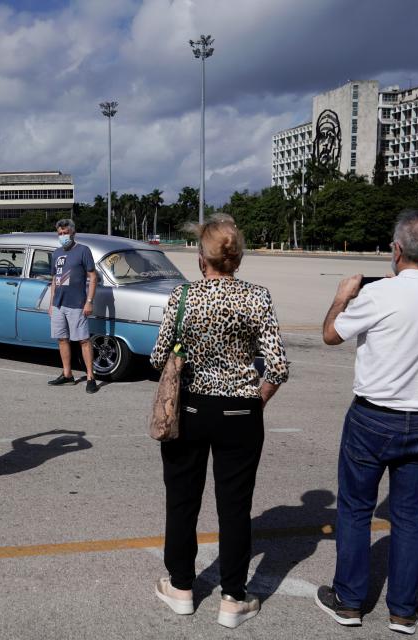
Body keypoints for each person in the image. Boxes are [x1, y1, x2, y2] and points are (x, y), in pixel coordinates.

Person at [315, 210, 418, 636]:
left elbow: (331, 335)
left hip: (374, 417)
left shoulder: (380, 295)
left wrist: (344, 295)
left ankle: (349, 601)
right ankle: (403, 609)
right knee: (409, 517)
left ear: (397, 250)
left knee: (354, 510)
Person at [149, 214, 289, 629]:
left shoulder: (184, 297)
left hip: (191, 409)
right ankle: (232, 597)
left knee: (182, 499)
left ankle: (181, 588)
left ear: (202, 256)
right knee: (235, 506)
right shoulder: (257, 297)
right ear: (236, 257)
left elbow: (159, 358)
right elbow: (277, 366)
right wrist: (254, 402)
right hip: (241, 412)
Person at [47, 219, 98, 393]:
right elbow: (54, 280)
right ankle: (67, 375)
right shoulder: (56, 253)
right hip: (59, 304)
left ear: (73, 233)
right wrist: (51, 304)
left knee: (83, 340)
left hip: (77, 304)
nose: (63, 236)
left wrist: (89, 301)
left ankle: (91, 377)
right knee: (62, 339)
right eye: (60, 234)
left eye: (65, 233)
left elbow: (93, 276)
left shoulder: (83, 250)